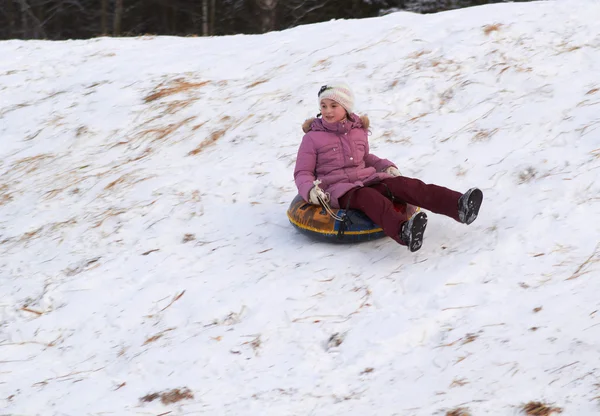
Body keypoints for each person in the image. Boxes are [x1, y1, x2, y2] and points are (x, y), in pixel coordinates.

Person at [293, 82, 483, 252]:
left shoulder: (358, 132)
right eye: (323, 106)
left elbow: (366, 158)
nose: (328, 111)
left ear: (346, 108)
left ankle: (459, 206)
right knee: (370, 198)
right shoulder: (312, 138)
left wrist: (386, 167)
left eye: (333, 106)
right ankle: (404, 232)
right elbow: (303, 172)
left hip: (365, 179)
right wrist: (310, 190)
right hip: (338, 190)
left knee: (404, 185)